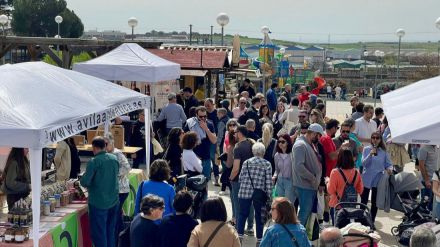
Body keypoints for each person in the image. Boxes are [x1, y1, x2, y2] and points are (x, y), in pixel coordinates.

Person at [80, 137, 119, 247]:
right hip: (113, 200)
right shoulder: (114, 158)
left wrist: (83, 178)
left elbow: (85, 181)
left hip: (99, 202)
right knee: (110, 232)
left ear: (94, 148)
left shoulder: (94, 161)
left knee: (99, 234)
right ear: (105, 146)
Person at [237, 143, 272, 245]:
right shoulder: (267, 164)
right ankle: (259, 240)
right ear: (263, 152)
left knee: (243, 214)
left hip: (244, 191)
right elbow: (268, 183)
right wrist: (269, 197)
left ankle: (239, 237)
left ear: (253, 151)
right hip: (259, 193)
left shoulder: (246, 162)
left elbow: (241, 178)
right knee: (259, 216)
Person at [291, 123, 323, 225]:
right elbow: (299, 167)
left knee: (305, 213)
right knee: (304, 214)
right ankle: (298, 237)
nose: (319, 138)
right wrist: (312, 178)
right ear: (313, 133)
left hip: (309, 186)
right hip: (304, 186)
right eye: (319, 136)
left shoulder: (307, 144)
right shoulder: (300, 145)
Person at [360, 132, 393, 223]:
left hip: (378, 179)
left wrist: (390, 169)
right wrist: (370, 154)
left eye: (377, 138)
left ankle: (371, 221)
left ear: (380, 139)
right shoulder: (366, 149)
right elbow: (363, 163)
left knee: (374, 202)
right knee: (363, 201)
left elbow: (389, 164)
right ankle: (361, 220)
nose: (375, 139)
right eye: (373, 137)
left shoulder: (384, 152)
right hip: (366, 178)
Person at [103, 133, 132, 238]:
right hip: (113, 190)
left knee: (116, 213)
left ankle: (118, 235)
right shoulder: (105, 154)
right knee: (116, 212)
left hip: (121, 190)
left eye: (106, 144)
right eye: (103, 144)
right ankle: (119, 235)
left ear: (112, 143)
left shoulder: (117, 153)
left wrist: (115, 174)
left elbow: (127, 167)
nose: (105, 146)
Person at [229, 125, 255, 234]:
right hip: (251, 179)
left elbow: (236, 168)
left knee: (238, 203)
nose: (234, 134)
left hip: (238, 179)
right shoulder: (252, 144)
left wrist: (230, 178)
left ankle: (239, 227)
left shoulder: (238, 147)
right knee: (250, 204)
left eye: (235, 132)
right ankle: (249, 227)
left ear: (239, 133)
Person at [327, 149, 363, 221]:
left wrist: (327, 182)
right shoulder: (356, 172)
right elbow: (360, 190)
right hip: (351, 206)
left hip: (336, 205)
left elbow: (330, 190)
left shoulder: (335, 172)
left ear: (339, 158)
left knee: (338, 230)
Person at [184, 106, 217, 180]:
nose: (203, 118)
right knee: (193, 182)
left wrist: (206, 129)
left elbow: (214, 140)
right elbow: (184, 141)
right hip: (193, 158)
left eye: (205, 116)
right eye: (200, 117)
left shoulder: (210, 124)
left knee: (205, 181)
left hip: (206, 158)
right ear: (196, 115)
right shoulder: (190, 124)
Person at [273, 134, 295, 203]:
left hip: (290, 181)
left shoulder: (292, 154)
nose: (280, 143)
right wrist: (274, 176)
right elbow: (276, 170)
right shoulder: (276, 155)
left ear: (288, 142)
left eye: (283, 142)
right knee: (279, 203)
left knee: (288, 204)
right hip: (279, 181)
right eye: (279, 142)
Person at [418, 144, 438, 210]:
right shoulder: (424, 148)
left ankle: (430, 217)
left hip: (435, 179)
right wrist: (426, 180)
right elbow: (421, 165)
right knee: (425, 201)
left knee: (433, 202)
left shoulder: (437, 147)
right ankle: (422, 217)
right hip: (427, 180)